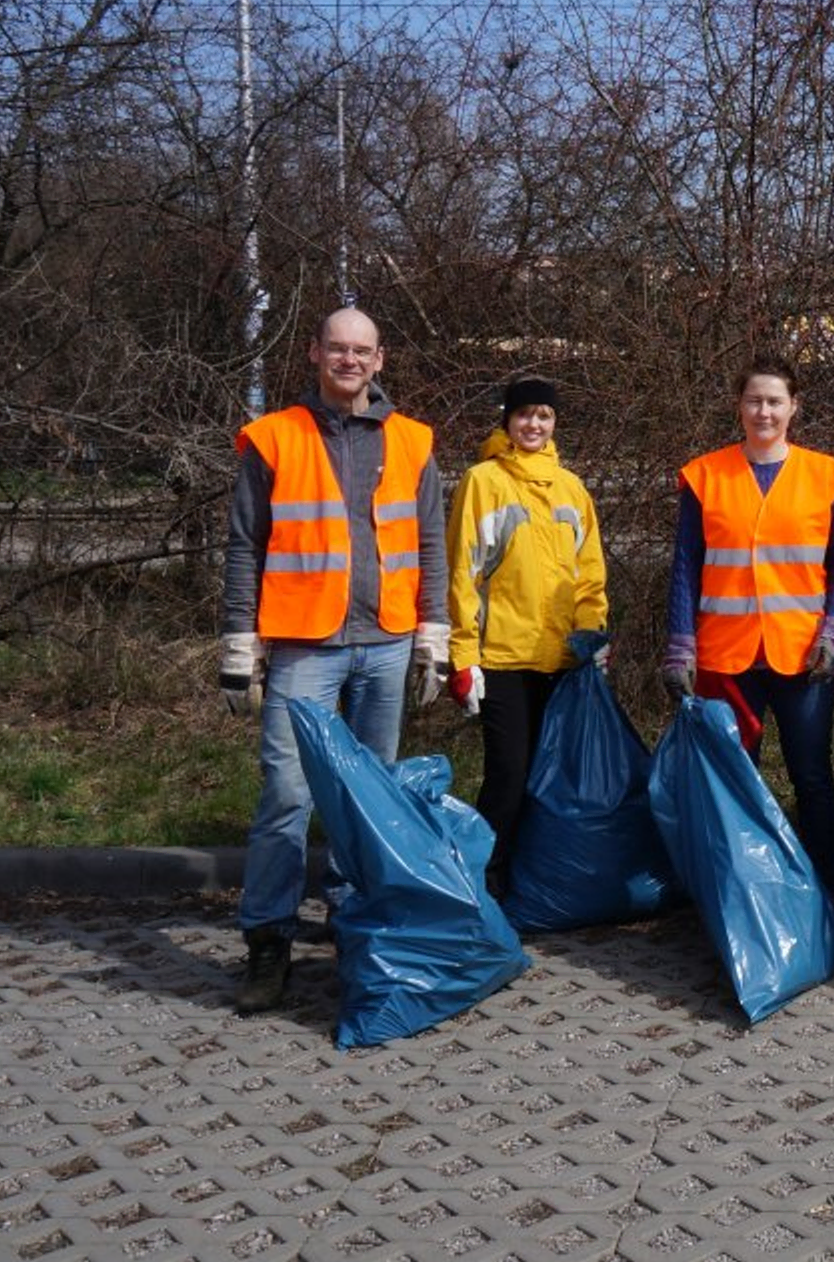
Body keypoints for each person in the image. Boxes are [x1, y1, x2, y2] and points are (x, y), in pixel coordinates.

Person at [218, 307, 449, 1015]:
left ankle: (354, 924)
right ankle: (268, 939)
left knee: (369, 798)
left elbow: (431, 542)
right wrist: (238, 644)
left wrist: (432, 638)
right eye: (337, 349)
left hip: (384, 641)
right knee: (287, 794)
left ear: (380, 360)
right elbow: (243, 545)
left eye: (362, 351)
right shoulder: (274, 438)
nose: (349, 361)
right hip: (304, 645)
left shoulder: (412, 442)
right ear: (315, 354)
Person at [662, 356, 834, 898]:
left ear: (794, 407)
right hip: (727, 656)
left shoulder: (826, 477)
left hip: (803, 655)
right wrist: (680, 647)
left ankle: (824, 884)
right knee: (733, 778)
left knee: (811, 774)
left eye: (775, 401)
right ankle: (739, 887)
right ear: (738, 407)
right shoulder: (705, 476)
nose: (764, 411)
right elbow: (685, 564)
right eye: (754, 400)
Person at [445, 377, 610, 898]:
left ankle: (536, 883)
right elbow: (462, 574)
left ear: (555, 422)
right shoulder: (483, 481)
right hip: (502, 659)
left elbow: (590, 576)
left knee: (549, 778)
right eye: (523, 415)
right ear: (507, 420)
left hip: (562, 659)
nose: (533, 425)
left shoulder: (572, 488)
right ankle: (484, 883)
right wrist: (462, 657)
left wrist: (593, 636)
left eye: (543, 416)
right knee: (508, 774)